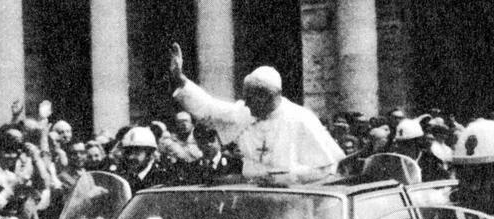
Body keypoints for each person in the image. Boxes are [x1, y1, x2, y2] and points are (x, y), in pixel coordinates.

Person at [168, 42, 344, 184]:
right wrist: (181, 80)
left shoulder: (301, 119)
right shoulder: (245, 113)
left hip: (293, 204)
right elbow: (209, 109)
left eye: (250, 98)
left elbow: (326, 169)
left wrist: (283, 178)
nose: (245, 103)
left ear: (266, 97)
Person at [113, 126, 176, 193]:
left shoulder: (164, 178)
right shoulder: (121, 178)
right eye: (128, 152)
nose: (130, 157)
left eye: (136, 152)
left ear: (150, 154)